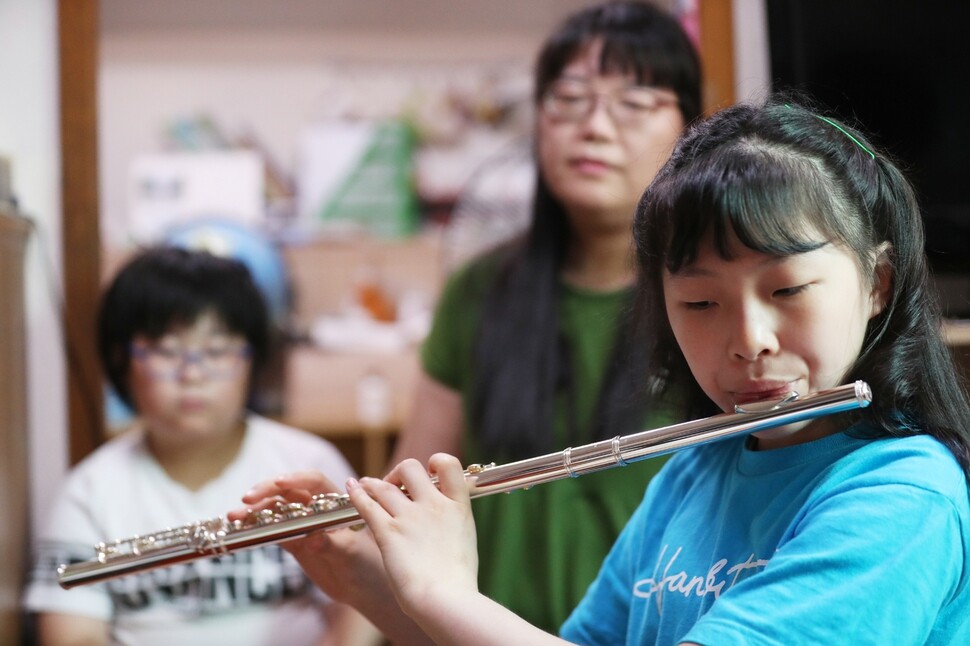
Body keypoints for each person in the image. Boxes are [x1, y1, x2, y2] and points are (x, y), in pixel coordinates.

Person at [240, 97, 970, 644]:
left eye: (785, 291)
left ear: (877, 284)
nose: (748, 339)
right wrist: (382, 587)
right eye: (700, 301)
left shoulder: (902, 497)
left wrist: (441, 589)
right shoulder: (697, 470)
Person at [385, 0, 702, 631]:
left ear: (692, 127)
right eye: (569, 99)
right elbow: (409, 499)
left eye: (633, 104)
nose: (594, 127)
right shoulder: (479, 290)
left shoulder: (709, 301)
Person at [23, 247, 366, 646]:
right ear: (121, 360)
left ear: (252, 359)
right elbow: (73, 635)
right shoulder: (88, 493)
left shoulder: (309, 466)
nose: (192, 374)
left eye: (217, 351)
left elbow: (362, 603)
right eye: (167, 351)